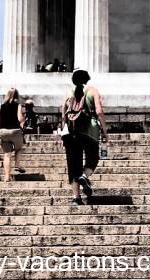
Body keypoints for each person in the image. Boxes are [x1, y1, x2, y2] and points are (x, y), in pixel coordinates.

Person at [60, 70, 109, 205]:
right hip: (89, 130)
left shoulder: (68, 92)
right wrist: (105, 132)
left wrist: (64, 132)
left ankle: (76, 198)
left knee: (73, 164)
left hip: (70, 131)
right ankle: (84, 176)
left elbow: (63, 114)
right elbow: (99, 112)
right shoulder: (92, 90)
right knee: (93, 157)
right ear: (87, 79)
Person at [0, 88, 27, 183]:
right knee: (19, 148)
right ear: (17, 96)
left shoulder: (1, 105)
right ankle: (17, 165)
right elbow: (19, 118)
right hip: (14, 130)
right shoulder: (18, 105)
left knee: (7, 154)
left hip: (3, 131)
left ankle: (6, 177)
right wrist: (23, 119)